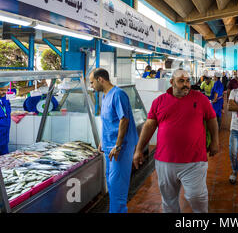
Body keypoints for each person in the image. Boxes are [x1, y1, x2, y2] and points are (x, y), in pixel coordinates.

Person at [133, 69, 219, 213]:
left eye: (187, 81)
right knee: (169, 200)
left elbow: (211, 119)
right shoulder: (159, 101)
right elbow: (149, 125)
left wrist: (215, 141)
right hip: (165, 160)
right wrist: (138, 150)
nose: (186, 84)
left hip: (194, 159)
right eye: (181, 81)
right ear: (172, 82)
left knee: (196, 196)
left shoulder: (200, 99)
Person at [89, 68, 138, 213]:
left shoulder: (118, 94)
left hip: (120, 148)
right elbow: (108, 122)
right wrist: (103, 141)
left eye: (92, 82)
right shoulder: (105, 96)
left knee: (117, 186)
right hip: (109, 146)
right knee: (111, 183)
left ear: (100, 80)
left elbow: (124, 120)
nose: (91, 86)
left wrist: (117, 145)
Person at [0, 80, 47, 155]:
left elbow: (21, 91)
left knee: (4, 159)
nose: (5, 92)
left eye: (6, 90)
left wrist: (38, 85)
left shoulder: (5, 95)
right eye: (2, 90)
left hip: (4, 139)